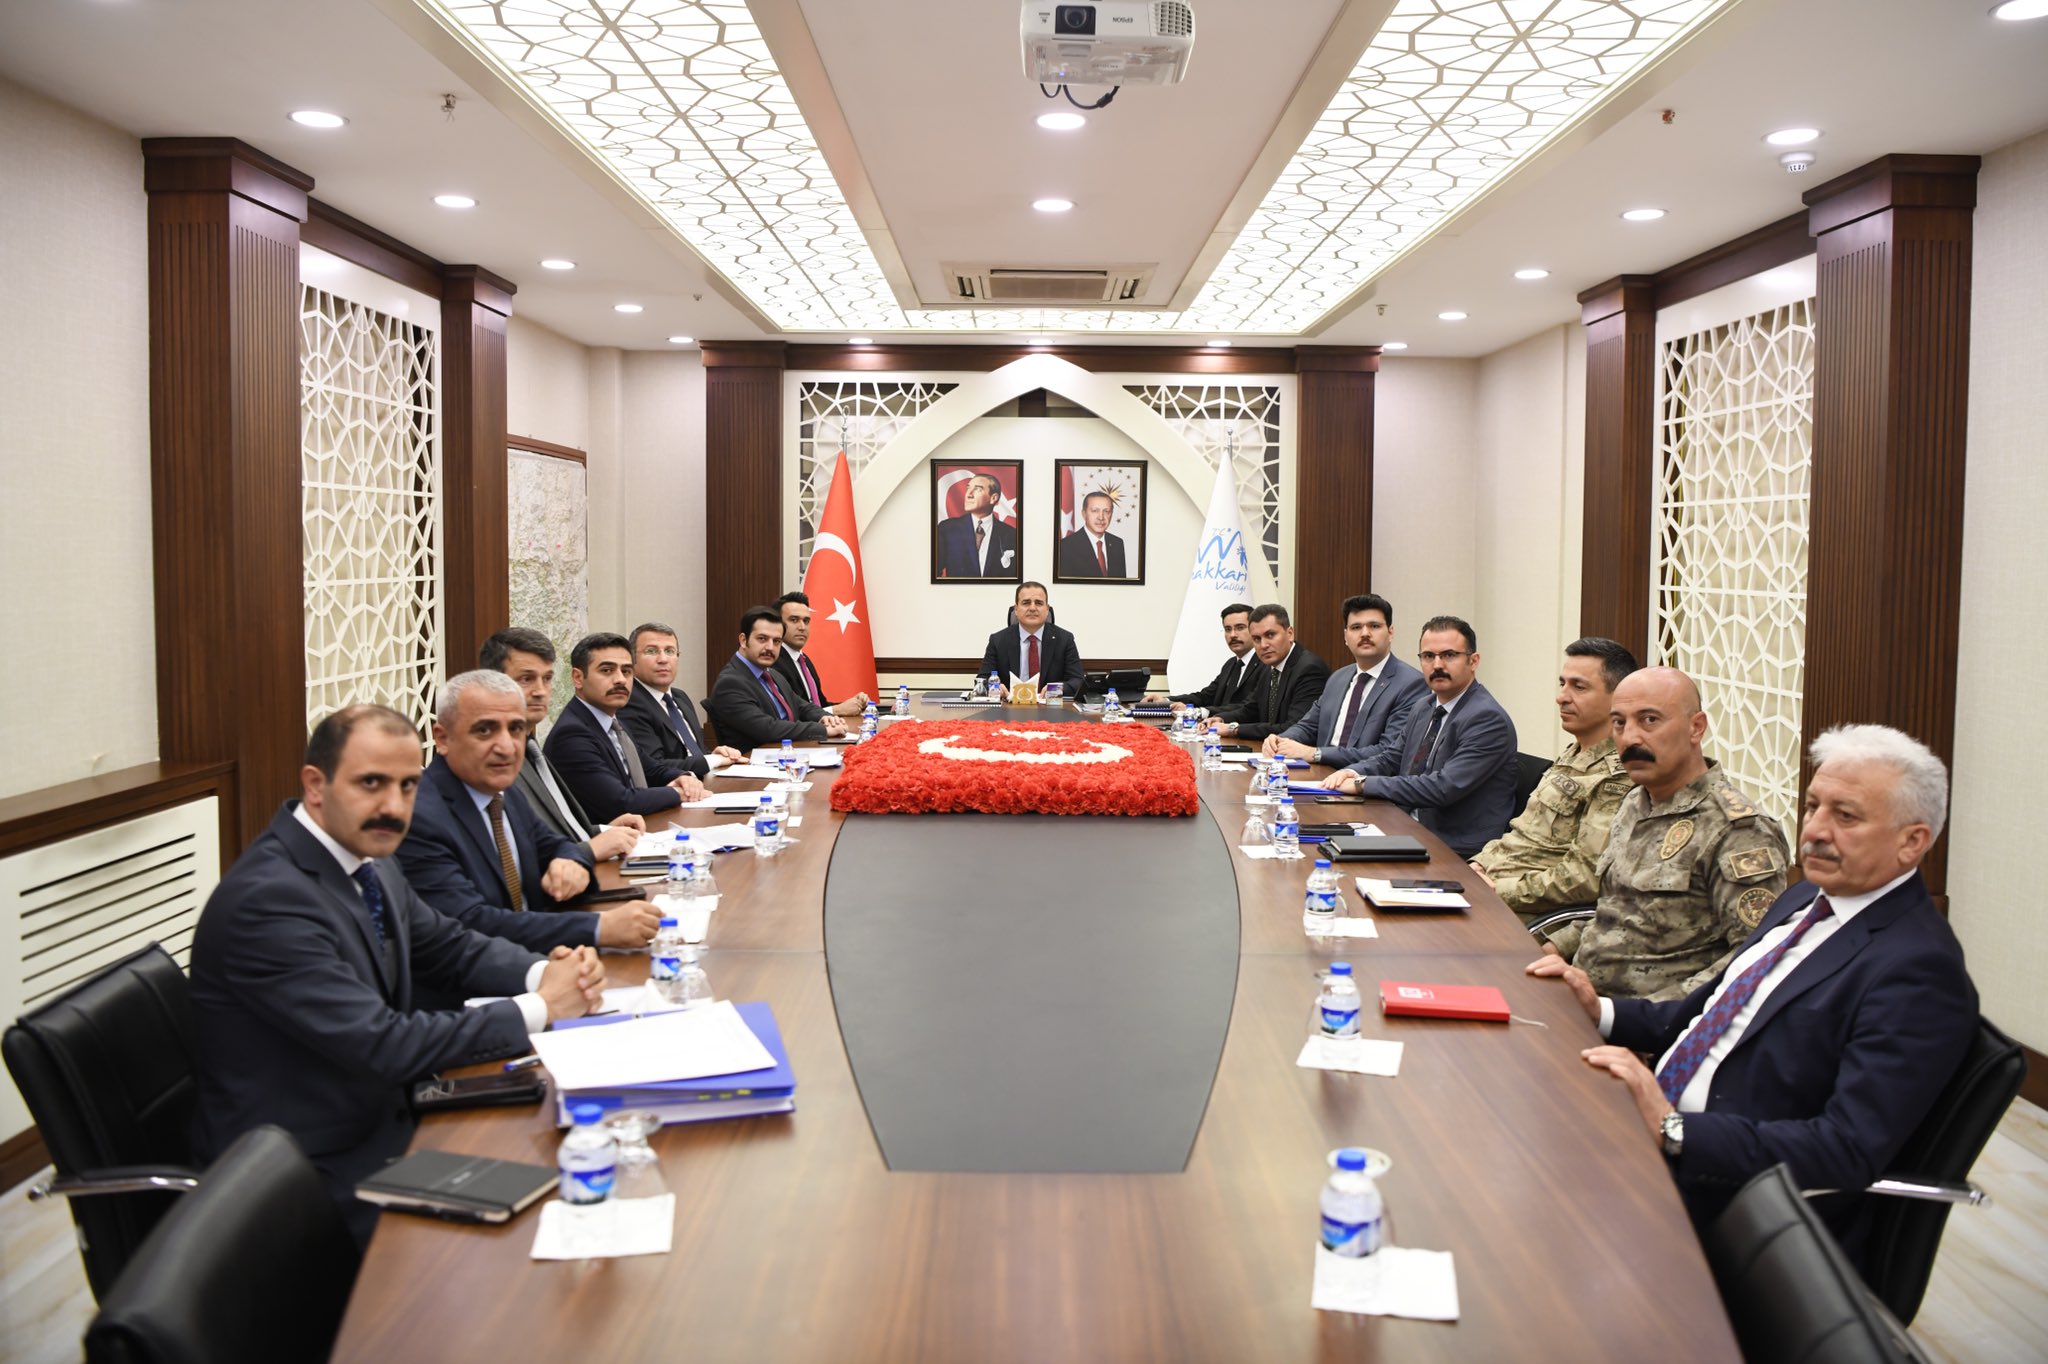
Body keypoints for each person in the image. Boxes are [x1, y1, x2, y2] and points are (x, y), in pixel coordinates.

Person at [1528, 724, 1978, 1273]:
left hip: (1726, 1190)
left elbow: (1847, 1148)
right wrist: (1602, 1012)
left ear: (1913, 841)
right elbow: (1711, 1016)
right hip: (1650, 1134)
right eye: (1813, 806)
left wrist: (1673, 1130)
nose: (1815, 830)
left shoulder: (1917, 970)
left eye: (1847, 816)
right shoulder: (1808, 896)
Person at [188, 704, 606, 1244]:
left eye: (408, 786)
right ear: (316, 786)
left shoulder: (368, 856)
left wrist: (547, 972)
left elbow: (449, 945)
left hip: (381, 1113)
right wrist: (543, 1008)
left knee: (575, 1176)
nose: (394, 807)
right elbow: (381, 1042)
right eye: (371, 783)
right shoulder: (269, 901)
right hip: (306, 1168)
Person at [1551, 666, 1790, 1000]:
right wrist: (1552, 948)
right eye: (1619, 722)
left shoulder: (1738, 831)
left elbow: (1754, 959)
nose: (1630, 738)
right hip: (1583, 999)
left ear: (1696, 727)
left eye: (1649, 720)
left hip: (1650, 1030)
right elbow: (1616, 908)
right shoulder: (1636, 802)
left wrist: (1641, 1017)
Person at [398, 671, 661, 961]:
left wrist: (569, 862)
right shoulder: (419, 816)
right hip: (474, 988)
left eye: (515, 729)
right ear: (443, 738)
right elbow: (470, 923)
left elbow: (555, 845)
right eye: (485, 730)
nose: (507, 746)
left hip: (541, 957)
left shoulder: (503, 792)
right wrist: (598, 927)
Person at [1470, 637, 1639, 925]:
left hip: (1524, 913)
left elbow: (1585, 877)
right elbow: (1522, 835)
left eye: (1579, 687)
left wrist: (1498, 890)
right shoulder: (1575, 752)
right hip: (1488, 887)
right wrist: (1477, 866)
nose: (1562, 696)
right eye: (1562, 683)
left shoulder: (1618, 776)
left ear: (1618, 698)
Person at [1320, 615, 1517, 858]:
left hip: (1454, 846)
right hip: (1408, 825)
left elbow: (1442, 787)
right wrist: (1353, 771)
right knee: (1322, 840)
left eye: (1449, 655)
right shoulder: (1425, 705)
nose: (1437, 665)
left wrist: (1363, 784)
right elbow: (1392, 757)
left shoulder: (1486, 718)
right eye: (1428, 656)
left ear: (1473, 661)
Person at [480, 628, 644, 860]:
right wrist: (590, 848)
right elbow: (517, 857)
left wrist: (601, 830)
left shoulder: (529, 746)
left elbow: (551, 829)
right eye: (526, 679)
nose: (540, 691)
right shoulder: (494, 761)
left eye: (546, 678)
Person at [544, 632, 707, 821]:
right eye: (607, 670)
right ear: (578, 678)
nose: (620, 680)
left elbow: (651, 769)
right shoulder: (572, 734)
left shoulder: (612, 721)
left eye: (627, 671)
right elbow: (621, 802)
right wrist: (678, 793)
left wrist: (683, 777)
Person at [1261, 593, 1427, 770]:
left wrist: (1316, 754)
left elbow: (1388, 751)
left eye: (1374, 626)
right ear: (1346, 636)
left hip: (1363, 782)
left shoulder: (1411, 684)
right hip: (1319, 776)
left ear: (1390, 632)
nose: (1365, 633)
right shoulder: (1338, 678)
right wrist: (1281, 740)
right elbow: (1308, 726)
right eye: (1356, 627)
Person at [706, 606, 852, 749]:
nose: (770, 647)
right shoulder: (730, 682)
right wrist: (822, 730)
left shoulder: (772, 674)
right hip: (756, 764)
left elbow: (801, 706)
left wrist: (825, 717)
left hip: (788, 754)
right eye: (762, 639)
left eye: (776, 641)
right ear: (743, 640)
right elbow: (768, 729)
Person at [617, 620, 746, 782]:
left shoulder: (679, 697)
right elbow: (655, 766)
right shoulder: (629, 702)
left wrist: (714, 754)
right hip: (671, 794)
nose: (663, 659)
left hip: (704, 783)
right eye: (651, 651)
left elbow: (695, 751)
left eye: (670, 651)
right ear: (632, 659)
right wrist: (713, 760)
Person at [1208, 604, 1331, 742]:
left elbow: (1293, 728)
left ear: (1290, 633)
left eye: (1270, 635)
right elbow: (1251, 709)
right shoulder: (1269, 667)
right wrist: (1220, 718)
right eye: (1257, 639)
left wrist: (1233, 729)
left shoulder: (1309, 669)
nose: (1263, 645)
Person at [772, 592, 870, 717]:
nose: (802, 627)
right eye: (794, 620)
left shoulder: (804, 661)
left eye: (806, 621)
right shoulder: (774, 661)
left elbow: (820, 706)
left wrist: (853, 705)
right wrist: (837, 710)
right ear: (778, 625)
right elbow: (792, 712)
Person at [977, 581, 1085, 694]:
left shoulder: (1065, 639)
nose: (1032, 608)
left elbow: (1078, 680)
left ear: (1047, 609)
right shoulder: (998, 640)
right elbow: (982, 680)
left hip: (1050, 707)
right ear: (1016, 609)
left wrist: (1054, 689)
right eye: (1026, 603)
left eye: (1038, 603)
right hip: (1009, 708)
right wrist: (995, 687)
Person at [1169, 602, 1265, 717]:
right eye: (1228, 629)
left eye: (1240, 628)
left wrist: (1199, 712)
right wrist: (1166, 701)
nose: (1233, 635)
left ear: (1254, 630)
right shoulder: (1230, 664)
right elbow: (1205, 697)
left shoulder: (1265, 664)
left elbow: (1248, 707)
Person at [935, 472, 1019, 579]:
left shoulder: (1011, 534)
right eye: (968, 488)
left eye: (978, 489)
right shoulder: (947, 529)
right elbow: (933, 574)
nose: (969, 494)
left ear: (993, 498)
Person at [1057, 491, 1128, 577]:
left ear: (1111, 514)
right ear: (1084, 514)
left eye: (1106, 511)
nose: (1101, 517)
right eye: (1095, 511)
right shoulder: (1066, 546)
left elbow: (1121, 585)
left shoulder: (1117, 543)